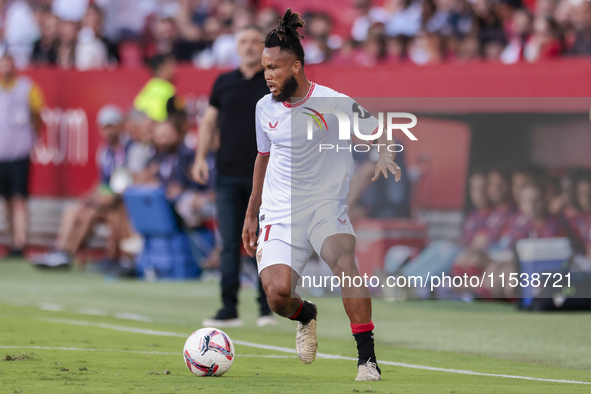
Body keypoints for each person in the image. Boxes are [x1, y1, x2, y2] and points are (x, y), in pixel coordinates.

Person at [241, 9, 401, 381]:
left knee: (344, 262)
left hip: (324, 206)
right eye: (264, 68)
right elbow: (262, 159)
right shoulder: (264, 109)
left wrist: (384, 153)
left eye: (274, 68)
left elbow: (381, 130)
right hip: (279, 211)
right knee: (278, 296)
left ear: (296, 67)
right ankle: (306, 314)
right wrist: (252, 215)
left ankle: (367, 360)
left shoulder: (331, 102)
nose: (267, 76)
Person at [191, 25, 275, 328]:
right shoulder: (223, 82)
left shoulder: (273, 80)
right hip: (226, 174)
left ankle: (266, 308)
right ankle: (229, 308)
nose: (250, 46)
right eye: (244, 41)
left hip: (265, 177)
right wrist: (200, 157)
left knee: (262, 244)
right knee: (229, 243)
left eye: (255, 41)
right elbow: (209, 123)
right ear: (236, 47)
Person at [35, 105, 133, 269]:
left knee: (110, 213)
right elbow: (103, 184)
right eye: (104, 128)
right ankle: (63, 252)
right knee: (77, 210)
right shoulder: (105, 152)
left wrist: (110, 196)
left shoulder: (129, 148)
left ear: (120, 126)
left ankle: (118, 258)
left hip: (122, 202)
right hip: (107, 202)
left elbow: (128, 180)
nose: (108, 132)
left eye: (111, 127)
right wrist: (91, 197)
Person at [0, 54, 44, 258]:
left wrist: (31, 139)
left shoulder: (27, 87)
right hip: (1, 154)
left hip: (19, 153)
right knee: (7, 201)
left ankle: (20, 241)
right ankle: (11, 239)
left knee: (19, 199)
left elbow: (38, 115)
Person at [134, 54, 181, 122]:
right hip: (158, 126)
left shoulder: (148, 87)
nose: (174, 71)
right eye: (171, 67)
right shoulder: (168, 89)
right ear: (162, 69)